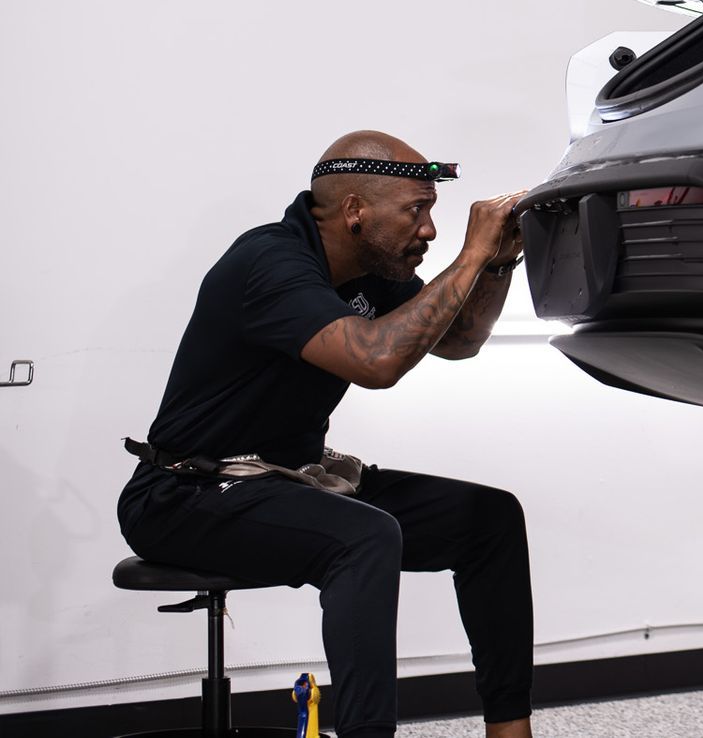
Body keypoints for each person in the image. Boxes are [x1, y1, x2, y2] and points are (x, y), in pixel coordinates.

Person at [119, 131, 536, 738]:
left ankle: (509, 729)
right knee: (364, 536)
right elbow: (376, 363)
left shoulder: (374, 268)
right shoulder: (269, 262)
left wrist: (497, 260)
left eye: (433, 211)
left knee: (488, 517)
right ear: (355, 211)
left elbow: (460, 341)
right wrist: (471, 257)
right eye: (416, 210)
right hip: (183, 496)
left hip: (291, 481)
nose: (431, 230)